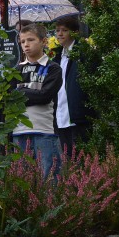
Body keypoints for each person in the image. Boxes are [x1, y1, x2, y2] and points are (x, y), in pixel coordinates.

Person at [13, 23, 63, 178]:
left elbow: (45, 96)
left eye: (31, 40)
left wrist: (20, 91)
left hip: (44, 130)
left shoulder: (53, 68)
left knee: (48, 180)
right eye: (22, 41)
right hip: (19, 130)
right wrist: (33, 93)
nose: (26, 45)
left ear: (44, 41)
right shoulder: (16, 70)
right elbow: (9, 97)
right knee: (23, 181)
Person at [52, 16, 93, 156]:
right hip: (60, 115)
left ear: (75, 32)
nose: (60, 34)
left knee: (82, 158)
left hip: (77, 115)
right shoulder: (57, 57)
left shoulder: (82, 52)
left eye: (64, 30)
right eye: (57, 30)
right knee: (67, 159)